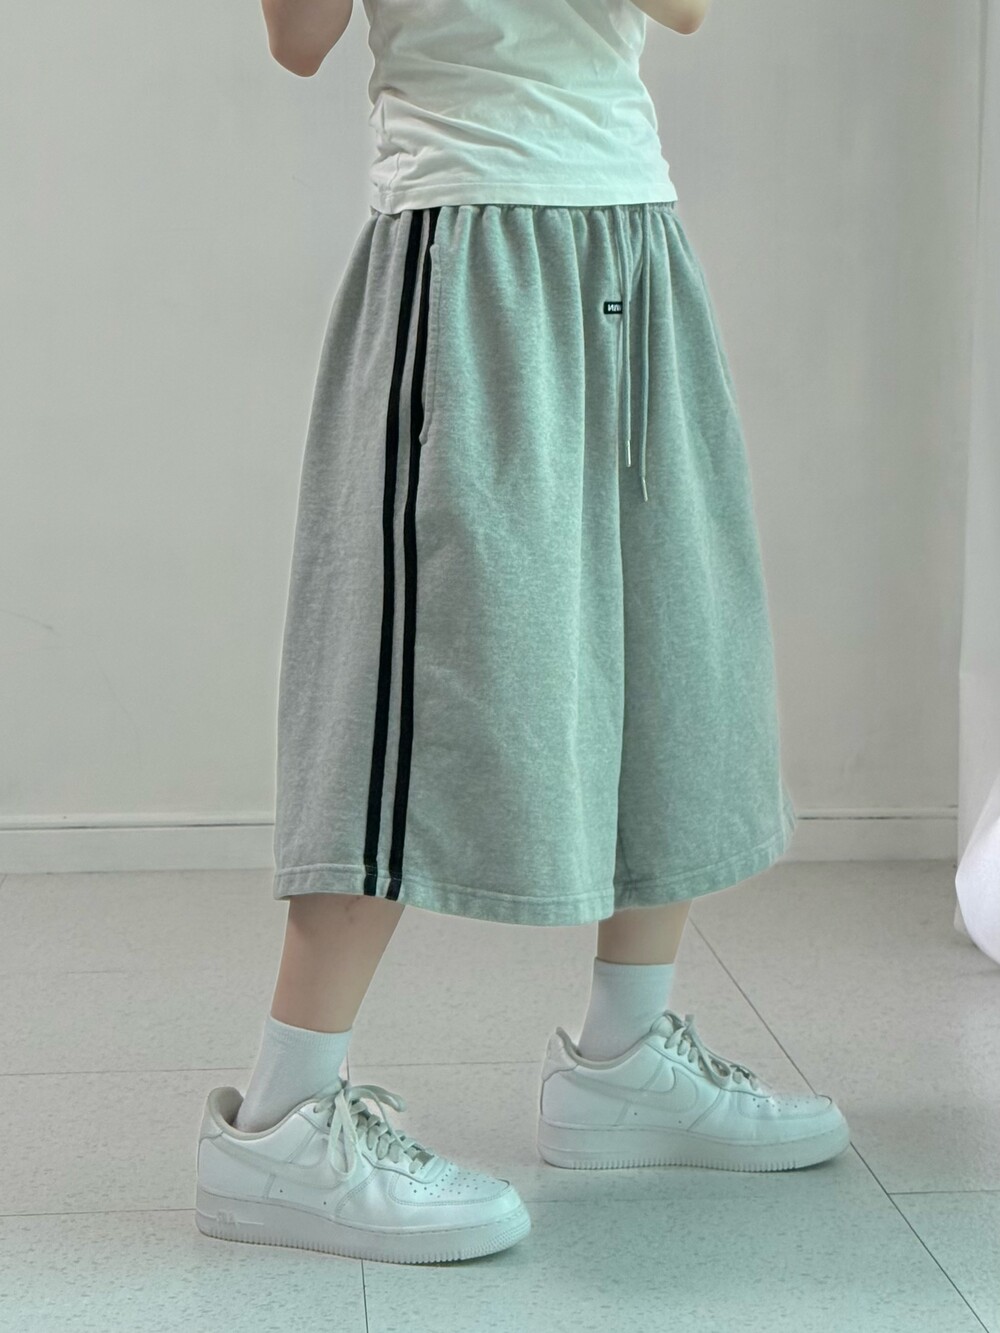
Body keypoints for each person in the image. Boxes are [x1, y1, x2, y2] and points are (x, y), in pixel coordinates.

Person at [196, 0, 849, 1266]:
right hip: (464, 240)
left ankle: (623, 1059)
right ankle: (279, 1123)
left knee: (669, 645)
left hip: (629, 227)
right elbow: (297, 36)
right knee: (404, 689)